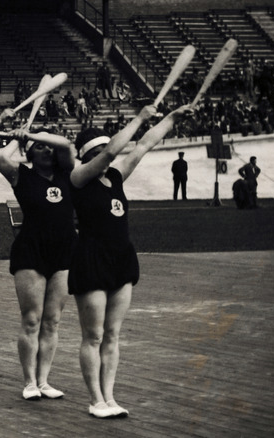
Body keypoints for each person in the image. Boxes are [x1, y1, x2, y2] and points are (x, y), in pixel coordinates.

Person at [69, 103, 191, 418]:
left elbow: (145, 144)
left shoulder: (116, 176)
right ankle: (95, 399)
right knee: (93, 335)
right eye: (97, 153)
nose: (106, 157)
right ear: (86, 156)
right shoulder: (78, 178)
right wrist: (138, 118)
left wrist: (171, 118)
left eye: (104, 151)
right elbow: (112, 151)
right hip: (91, 259)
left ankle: (109, 397)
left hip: (121, 259)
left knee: (112, 334)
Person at [0, 124, 76, 399]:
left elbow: (66, 145)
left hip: (64, 252)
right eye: (39, 147)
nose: (47, 150)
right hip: (31, 252)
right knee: (32, 319)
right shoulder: (19, 174)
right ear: (29, 153)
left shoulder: (68, 172)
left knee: (52, 320)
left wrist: (33, 135)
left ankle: (44, 381)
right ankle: (30, 382)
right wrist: (14, 135)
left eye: (49, 145)